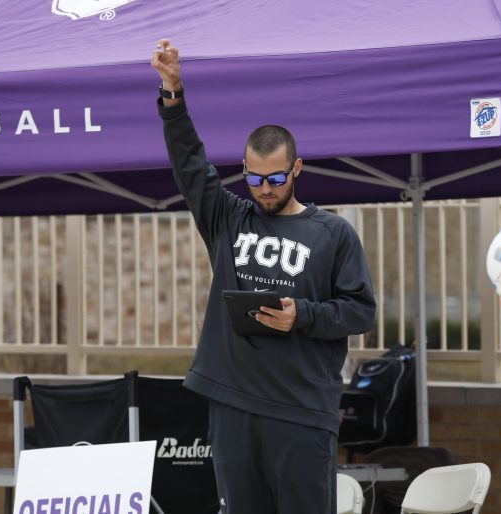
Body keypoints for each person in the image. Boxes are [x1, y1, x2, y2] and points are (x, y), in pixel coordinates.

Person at [151, 39, 376, 514]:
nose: (264, 189)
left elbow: (361, 311)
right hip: (233, 403)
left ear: (296, 168)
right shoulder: (229, 219)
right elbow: (191, 167)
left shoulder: (332, 232)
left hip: (301, 411)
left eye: (275, 178)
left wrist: (303, 315)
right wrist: (173, 93)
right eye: (254, 179)